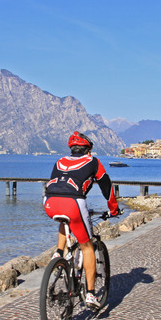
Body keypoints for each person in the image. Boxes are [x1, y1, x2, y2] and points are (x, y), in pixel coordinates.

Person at [44, 131, 119, 308]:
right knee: (87, 247)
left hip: (49, 202)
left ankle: (58, 253)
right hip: (74, 203)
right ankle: (91, 295)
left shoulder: (60, 161)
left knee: (65, 220)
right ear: (88, 150)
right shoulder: (93, 162)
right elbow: (106, 186)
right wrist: (113, 209)